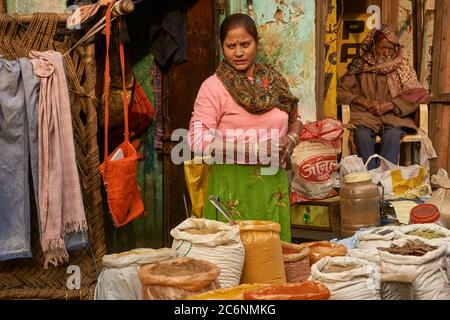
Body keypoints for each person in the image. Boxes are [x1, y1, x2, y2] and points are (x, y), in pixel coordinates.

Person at [188, 13, 302, 242]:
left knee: (271, 259)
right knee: (235, 262)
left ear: (256, 43)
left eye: (245, 44)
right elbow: (197, 140)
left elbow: (295, 118)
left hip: (273, 184)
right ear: (222, 47)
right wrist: (254, 149)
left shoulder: (274, 81)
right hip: (232, 186)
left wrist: (291, 138)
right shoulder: (213, 88)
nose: (238, 52)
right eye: (230, 46)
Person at [337, 24, 429, 170]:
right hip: (366, 115)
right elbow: (341, 92)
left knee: (393, 135)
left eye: (390, 48)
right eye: (382, 47)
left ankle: (385, 177)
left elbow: (419, 94)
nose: (386, 52)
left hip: (394, 116)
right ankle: (370, 176)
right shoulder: (360, 65)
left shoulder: (402, 66)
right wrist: (364, 101)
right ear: (373, 46)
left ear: (395, 49)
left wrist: (392, 105)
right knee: (361, 134)